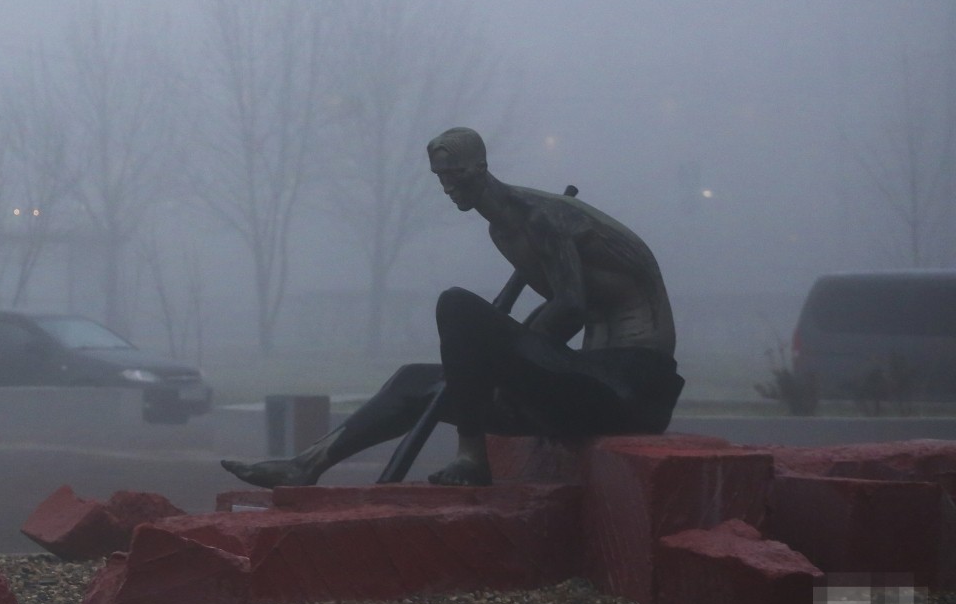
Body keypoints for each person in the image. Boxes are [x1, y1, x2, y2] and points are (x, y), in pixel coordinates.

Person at [221, 127, 683, 488]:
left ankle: (471, 454)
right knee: (415, 380)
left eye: (456, 174)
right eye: (440, 177)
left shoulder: (545, 218)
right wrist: (502, 360)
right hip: (585, 377)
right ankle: (307, 465)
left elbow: (570, 309)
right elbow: (551, 326)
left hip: (630, 386)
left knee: (458, 307)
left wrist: (502, 357)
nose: (448, 186)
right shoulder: (503, 231)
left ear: (481, 167)